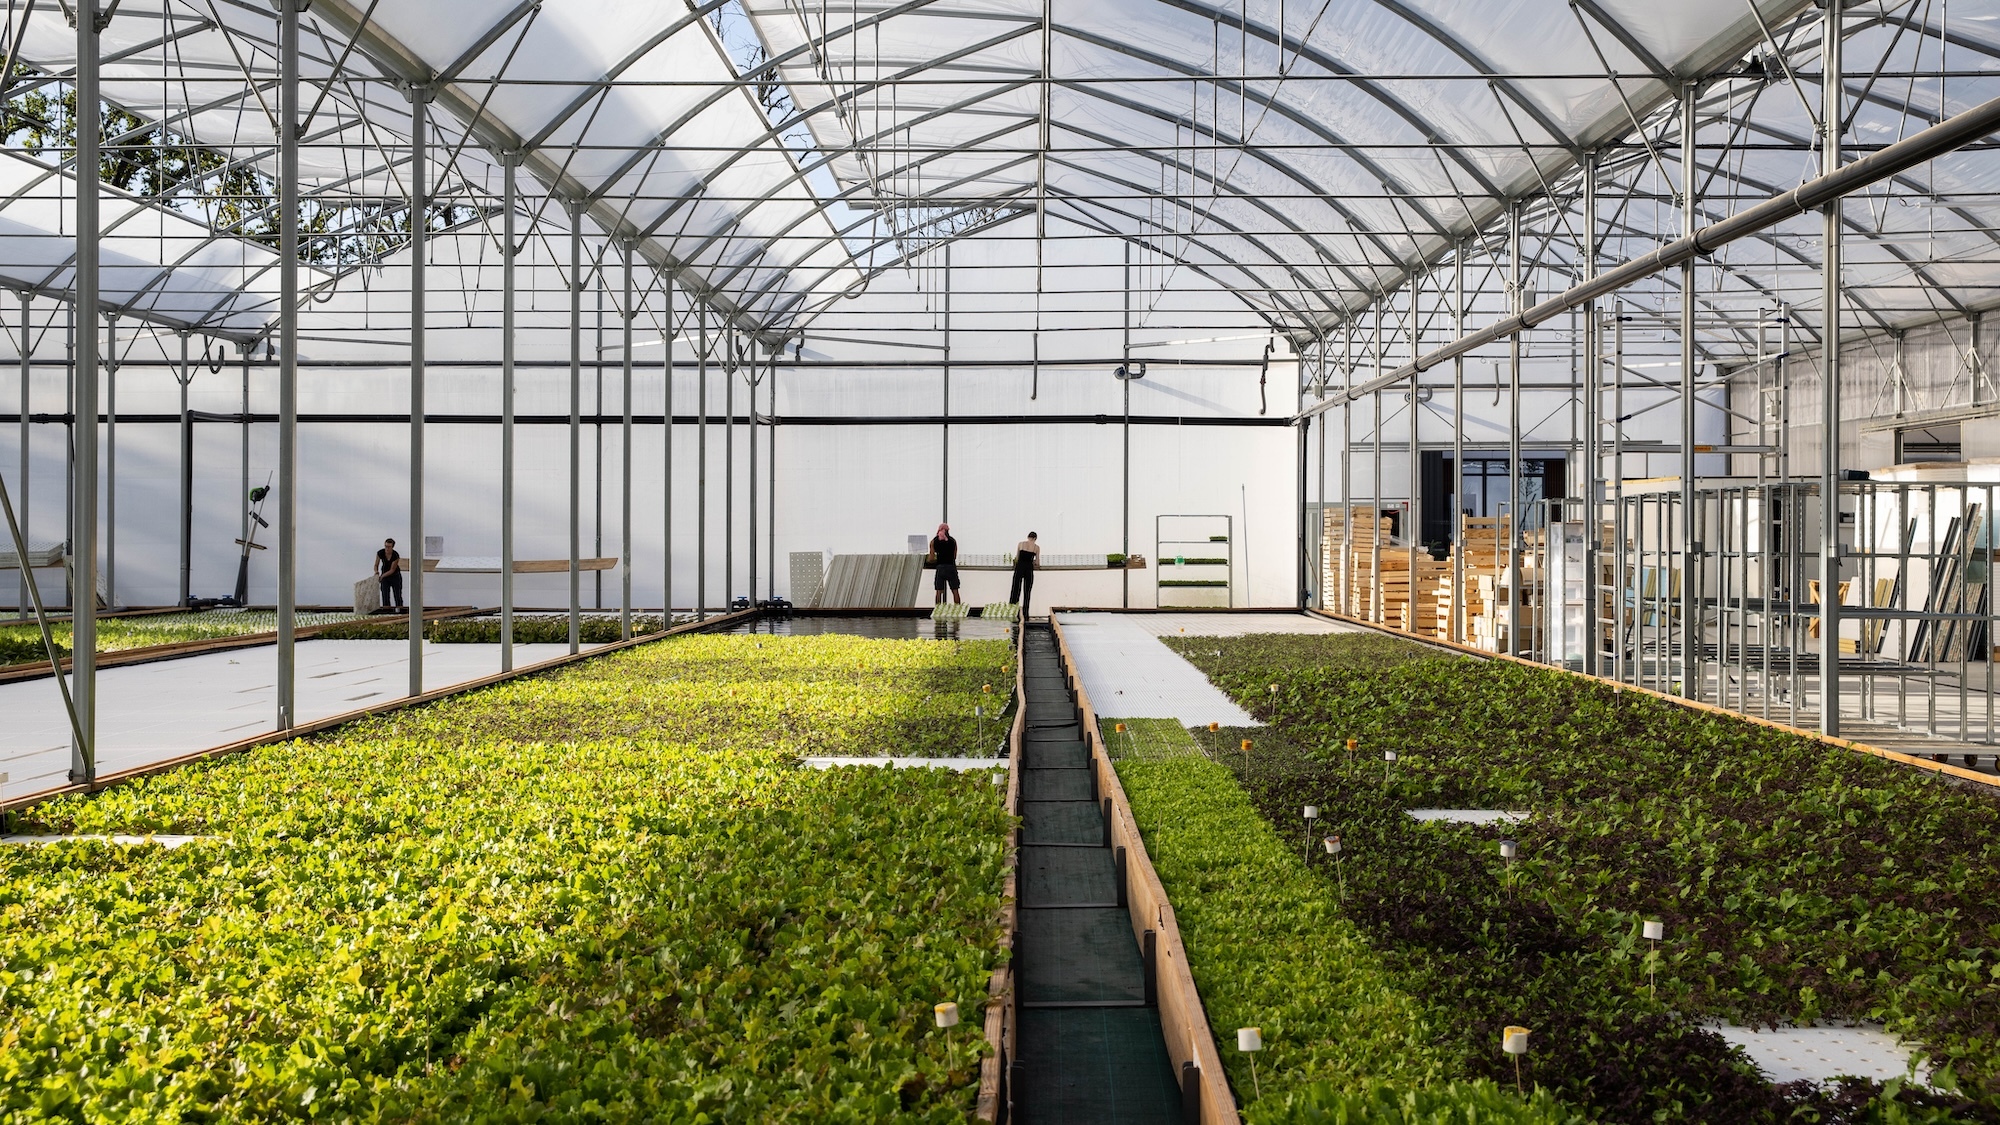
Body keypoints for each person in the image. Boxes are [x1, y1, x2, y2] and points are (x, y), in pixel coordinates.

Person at [1008, 531, 1041, 618]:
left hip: (1020, 567)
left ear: (1028, 537)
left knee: (1015, 588)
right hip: (1029, 568)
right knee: (1027, 591)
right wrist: (1032, 561)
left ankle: (1013, 611)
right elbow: (1037, 563)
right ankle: (1026, 613)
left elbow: (1017, 558)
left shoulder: (1021, 544)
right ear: (1035, 539)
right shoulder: (1036, 547)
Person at [930, 523, 961, 606]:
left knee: (938, 591)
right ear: (948, 531)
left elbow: (931, 558)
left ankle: (938, 609)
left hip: (940, 568)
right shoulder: (953, 541)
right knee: (955, 590)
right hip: (951, 567)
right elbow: (954, 556)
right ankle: (957, 609)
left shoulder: (934, 541)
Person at [375, 537, 404, 610]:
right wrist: (376, 572)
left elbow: (392, 570)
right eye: (386, 546)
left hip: (395, 576)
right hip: (385, 575)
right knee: (385, 594)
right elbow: (376, 565)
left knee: (397, 595)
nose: (387, 549)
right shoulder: (380, 553)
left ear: (392, 547)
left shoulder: (395, 555)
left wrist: (382, 576)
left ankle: (400, 610)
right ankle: (386, 610)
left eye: (389, 547)